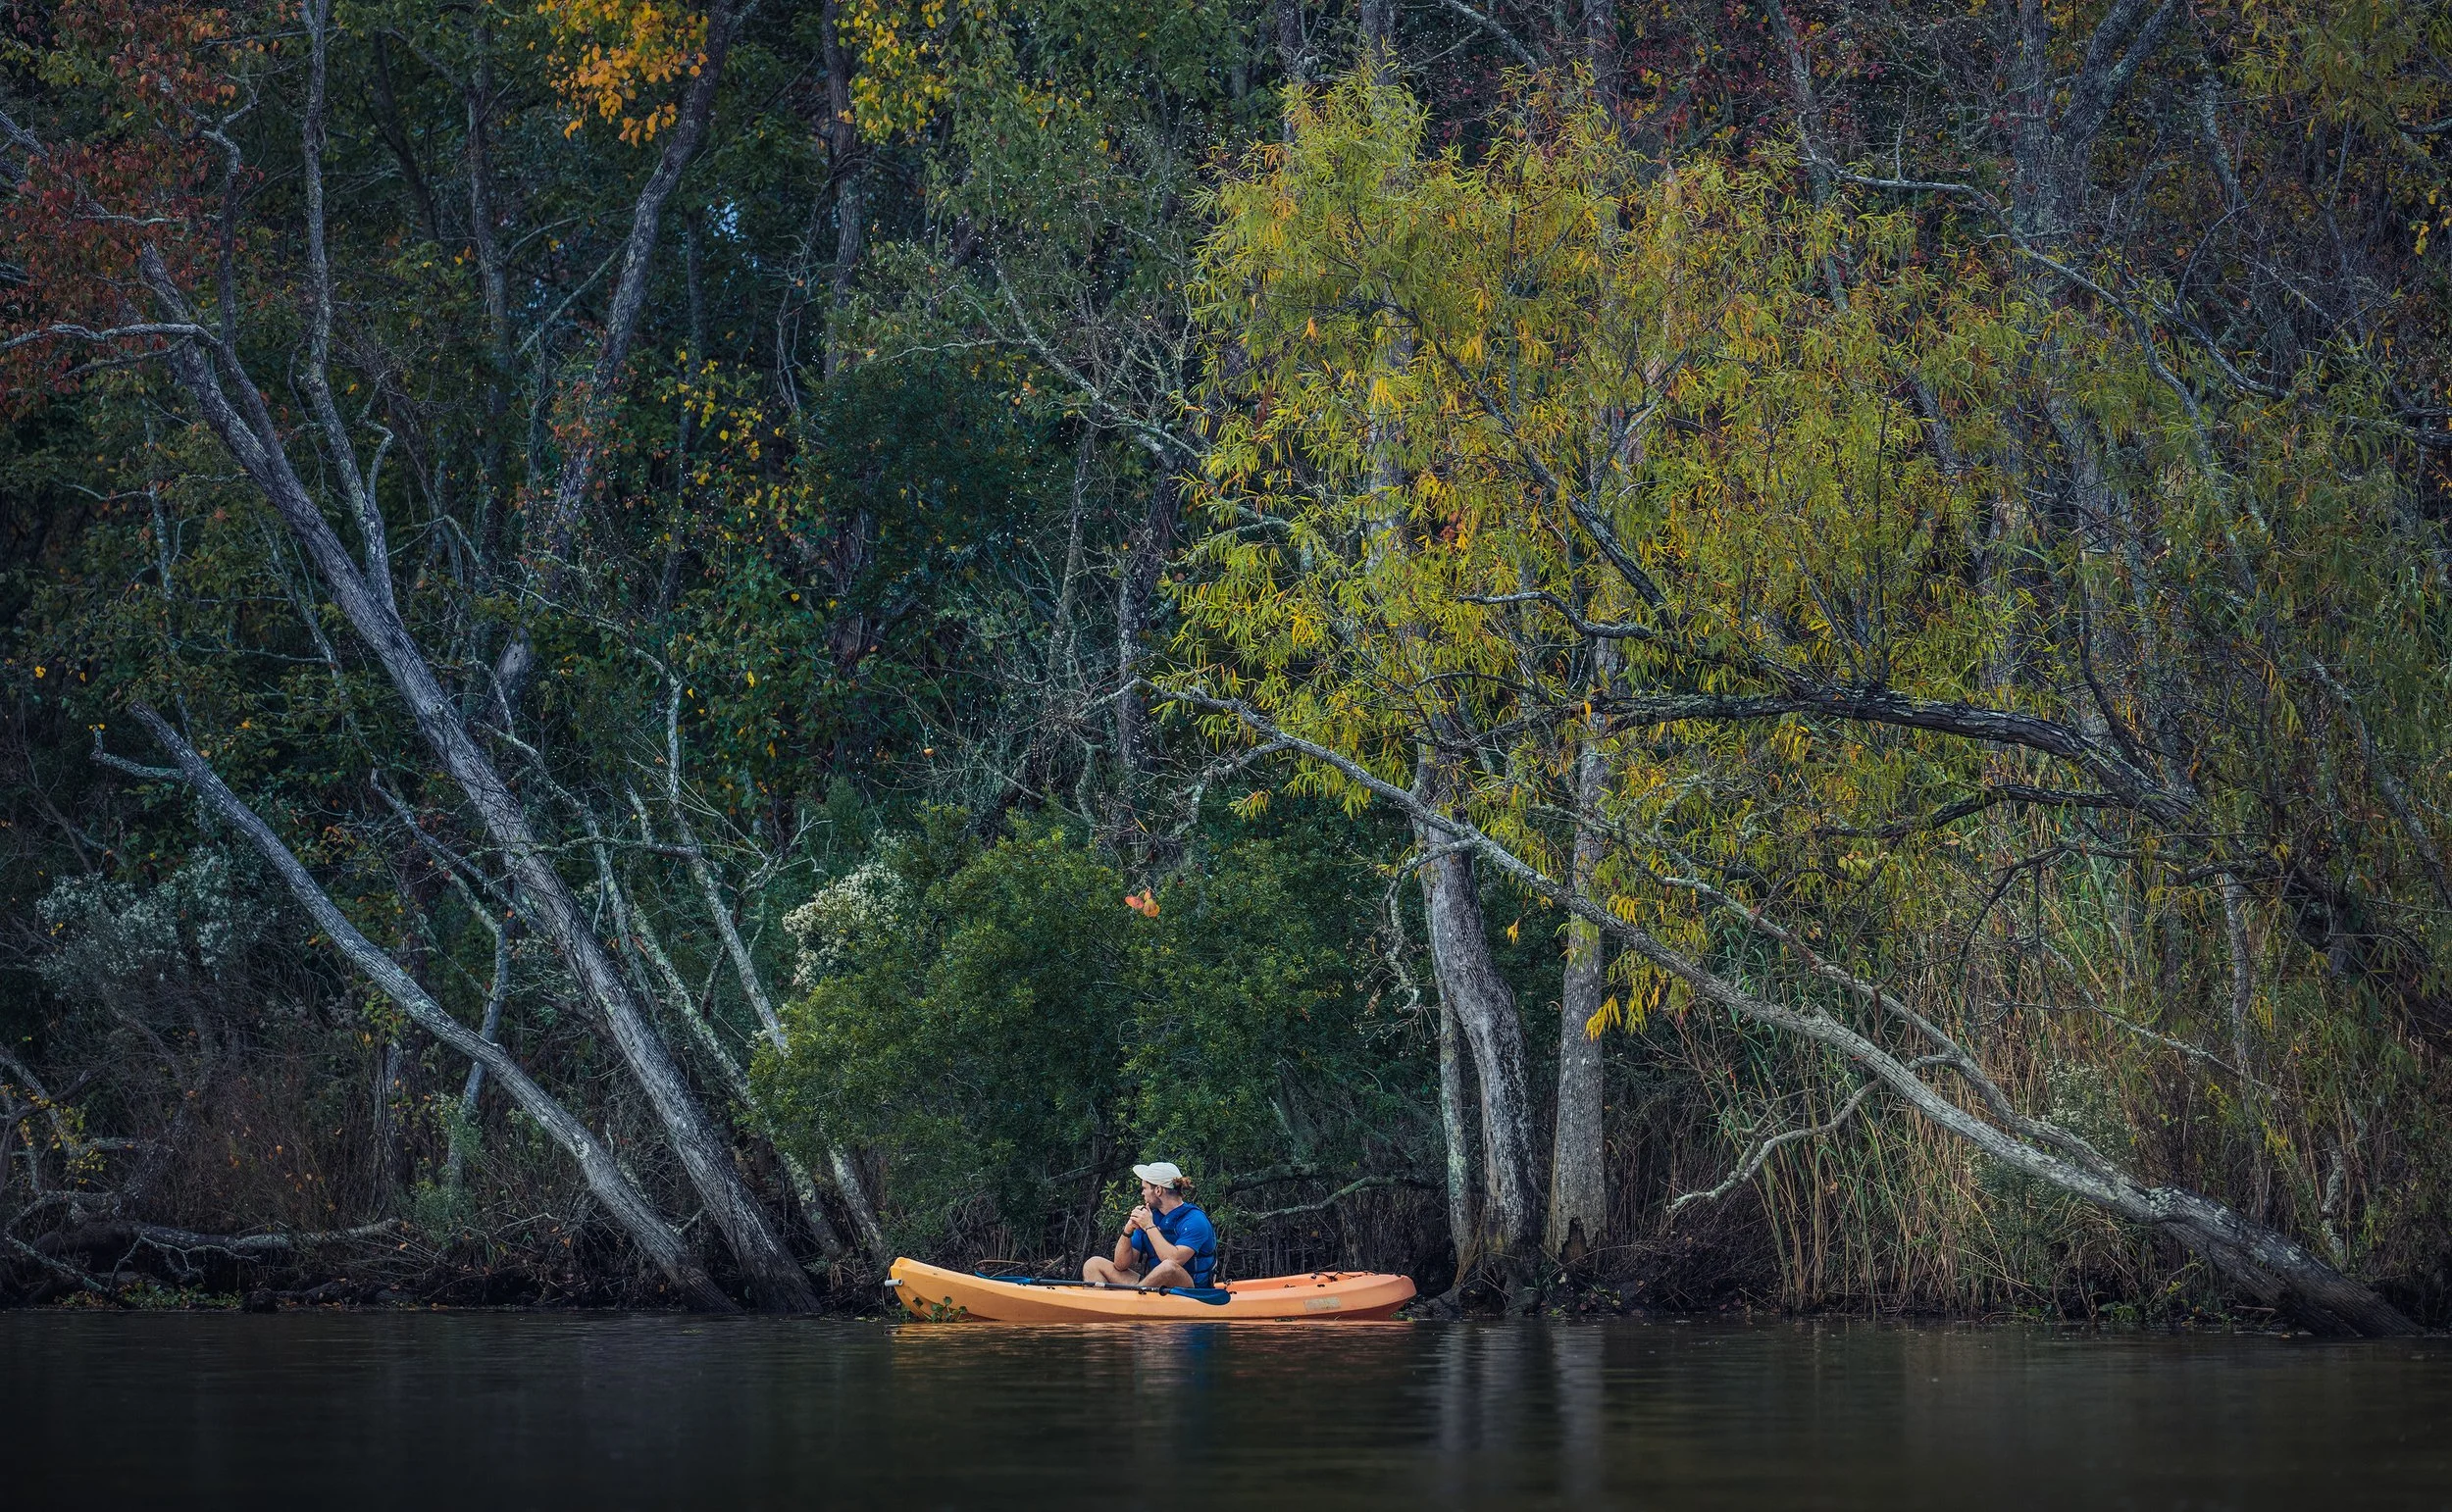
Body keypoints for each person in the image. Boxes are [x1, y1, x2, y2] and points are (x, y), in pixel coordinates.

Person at [1084, 1161, 1217, 1290]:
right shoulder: (1150, 1215)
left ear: (1158, 1190)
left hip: (1193, 1291)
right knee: (1093, 1264)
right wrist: (1128, 1230)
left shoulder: (1195, 1219)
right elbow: (1121, 1264)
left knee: (1168, 1267)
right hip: (1152, 1287)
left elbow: (1174, 1260)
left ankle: (1133, 1300)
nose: (1142, 1193)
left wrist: (1149, 1226)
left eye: (1144, 1188)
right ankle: (1111, 1309)